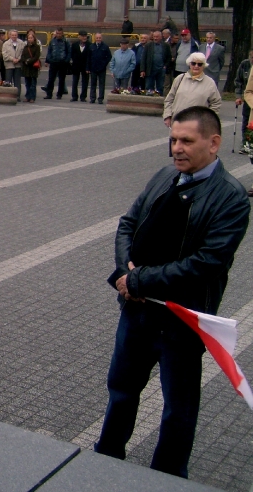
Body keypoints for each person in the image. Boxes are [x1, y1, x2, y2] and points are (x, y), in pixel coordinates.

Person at [95, 106, 249, 479]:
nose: (176, 148)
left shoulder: (231, 197)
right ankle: (105, 459)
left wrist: (140, 280)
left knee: (178, 408)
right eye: (173, 139)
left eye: (187, 141)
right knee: (121, 390)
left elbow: (207, 263)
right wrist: (126, 273)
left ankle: (167, 477)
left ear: (214, 143)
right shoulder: (165, 176)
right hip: (137, 311)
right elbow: (128, 223)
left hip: (181, 321)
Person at [162, 54, 222, 127]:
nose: (196, 66)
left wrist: (208, 119)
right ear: (189, 64)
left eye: (199, 64)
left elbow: (216, 103)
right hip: (178, 122)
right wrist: (167, 116)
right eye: (193, 63)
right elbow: (169, 99)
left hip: (198, 125)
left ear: (203, 66)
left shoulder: (210, 82)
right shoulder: (179, 79)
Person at [43, 28, 70, 99]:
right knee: (51, 79)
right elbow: (49, 51)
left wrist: (66, 61)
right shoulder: (52, 41)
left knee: (61, 80)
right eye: (57, 33)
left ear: (62, 33)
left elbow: (69, 52)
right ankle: (49, 94)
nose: (58, 35)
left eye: (60, 33)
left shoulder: (66, 41)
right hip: (53, 62)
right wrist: (48, 60)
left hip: (62, 63)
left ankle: (59, 94)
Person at [141, 31, 167, 95]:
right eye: (154, 37)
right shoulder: (148, 45)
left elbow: (168, 57)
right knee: (149, 87)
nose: (155, 38)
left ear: (161, 37)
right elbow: (143, 58)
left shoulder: (165, 45)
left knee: (160, 87)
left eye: (157, 37)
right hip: (150, 69)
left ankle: (159, 98)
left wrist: (165, 66)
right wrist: (142, 70)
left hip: (161, 70)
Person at [2, 30, 25, 102]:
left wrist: (18, 59)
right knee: (8, 81)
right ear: (9, 35)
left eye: (15, 35)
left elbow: (23, 53)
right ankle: (8, 95)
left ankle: (17, 96)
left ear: (17, 35)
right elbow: (4, 54)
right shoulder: (6, 44)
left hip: (18, 65)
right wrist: (12, 59)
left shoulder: (21, 43)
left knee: (17, 81)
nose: (14, 36)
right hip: (9, 65)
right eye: (12, 35)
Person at [88, 33, 111, 104]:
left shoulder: (105, 46)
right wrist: (88, 68)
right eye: (97, 38)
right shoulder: (91, 46)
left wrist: (104, 64)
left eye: (99, 38)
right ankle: (92, 98)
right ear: (95, 38)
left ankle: (100, 98)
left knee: (101, 84)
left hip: (102, 69)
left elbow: (109, 57)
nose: (98, 39)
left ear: (101, 38)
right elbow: (88, 58)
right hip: (93, 68)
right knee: (93, 84)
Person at [20, 29, 42, 103]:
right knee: (27, 83)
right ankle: (27, 96)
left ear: (34, 38)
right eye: (28, 38)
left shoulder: (37, 47)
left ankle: (32, 97)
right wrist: (25, 61)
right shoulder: (25, 47)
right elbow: (22, 56)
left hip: (33, 67)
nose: (30, 39)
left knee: (33, 84)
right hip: (26, 67)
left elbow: (36, 57)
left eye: (31, 38)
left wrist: (29, 61)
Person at [70, 31, 90, 102]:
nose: (84, 38)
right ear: (79, 37)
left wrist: (88, 67)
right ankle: (74, 96)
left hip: (85, 66)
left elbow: (89, 57)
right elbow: (72, 55)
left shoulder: (89, 45)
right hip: (76, 66)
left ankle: (83, 97)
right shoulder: (74, 45)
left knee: (85, 82)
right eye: (83, 36)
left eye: (85, 36)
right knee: (75, 81)